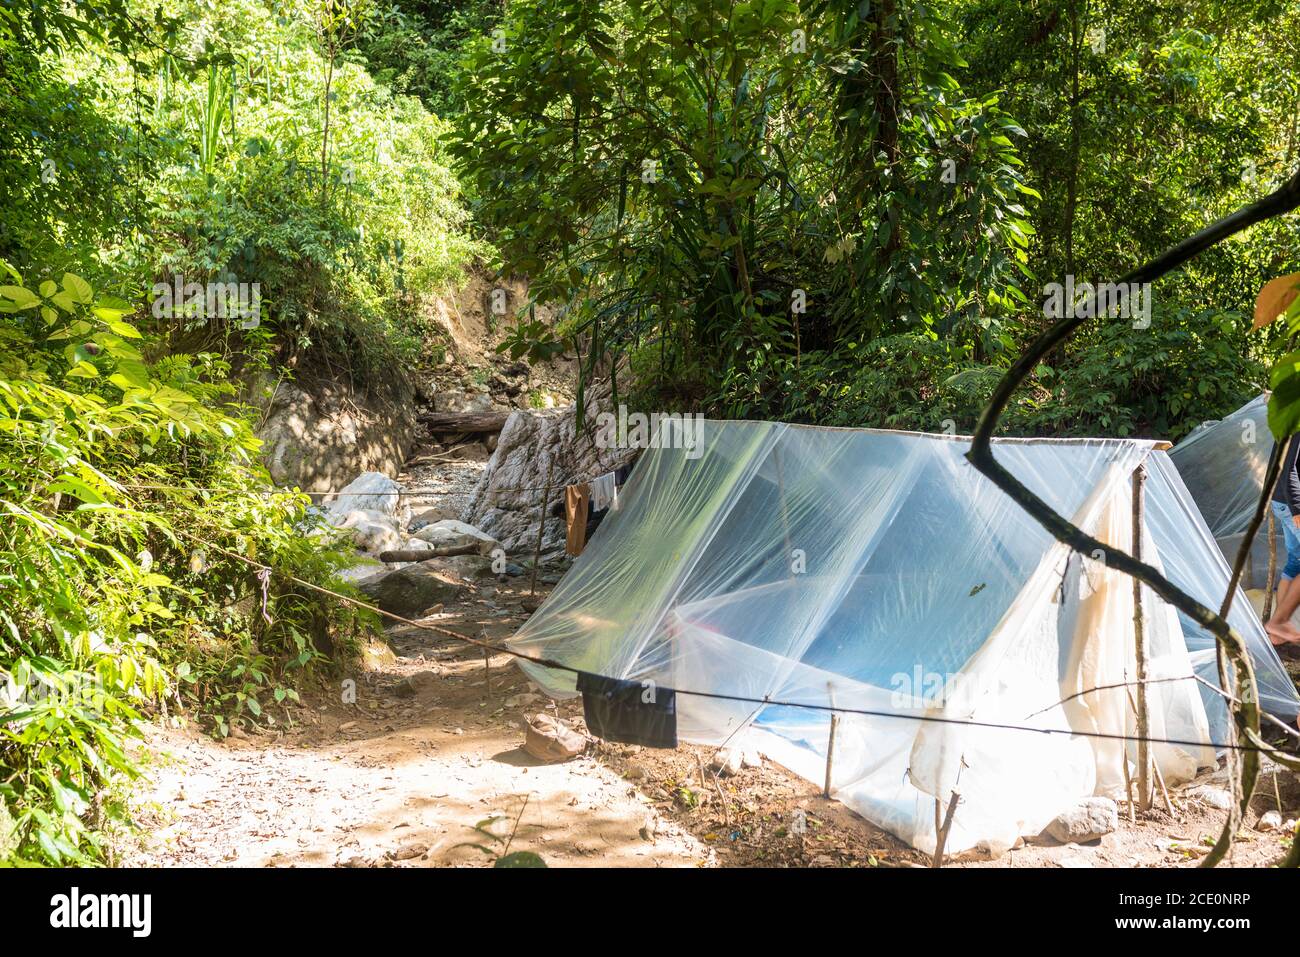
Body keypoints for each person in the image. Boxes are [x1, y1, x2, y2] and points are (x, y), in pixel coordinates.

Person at [1265, 436, 1300, 645]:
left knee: (1296, 560)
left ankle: (1277, 633)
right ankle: (1278, 622)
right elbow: (1288, 471)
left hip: (1282, 502)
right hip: (1291, 505)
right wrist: (1297, 509)